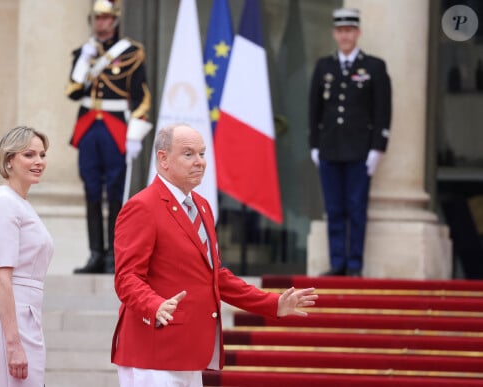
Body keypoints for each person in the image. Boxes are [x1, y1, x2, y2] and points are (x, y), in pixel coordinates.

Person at [111, 124, 318, 386]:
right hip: (153, 351)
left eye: (202, 153)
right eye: (189, 154)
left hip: (189, 353)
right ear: (163, 159)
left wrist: (272, 303)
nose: (200, 162)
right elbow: (127, 278)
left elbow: (215, 276)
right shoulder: (142, 207)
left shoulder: (202, 206)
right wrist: (154, 305)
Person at [67, 0, 152, 274]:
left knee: (116, 192)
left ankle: (114, 255)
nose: (100, 23)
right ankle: (94, 253)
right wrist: (83, 60)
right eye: (96, 18)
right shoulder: (85, 53)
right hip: (89, 127)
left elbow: (141, 97)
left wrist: (136, 132)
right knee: (91, 190)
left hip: (116, 128)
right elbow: (73, 92)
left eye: (105, 18)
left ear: (114, 21)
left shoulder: (131, 53)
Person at [308, 8, 392, 277]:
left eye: (350, 31)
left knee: (356, 209)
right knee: (334, 209)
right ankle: (337, 263)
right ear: (335, 33)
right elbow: (314, 108)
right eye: (341, 31)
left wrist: (378, 147)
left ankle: (355, 264)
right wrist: (314, 144)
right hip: (330, 149)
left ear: (358, 33)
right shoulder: (324, 67)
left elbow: (383, 109)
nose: (345, 36)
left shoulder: (374, 67)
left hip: (360, 151)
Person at [0, 126, 54, 386]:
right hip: (8, 314)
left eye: (42, 155)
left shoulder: (19, 203)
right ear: (9, 160)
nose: (38, 162)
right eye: (29, 155)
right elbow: (1, 278)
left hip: (24, 312)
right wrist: (12, 342)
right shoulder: (3, 203)